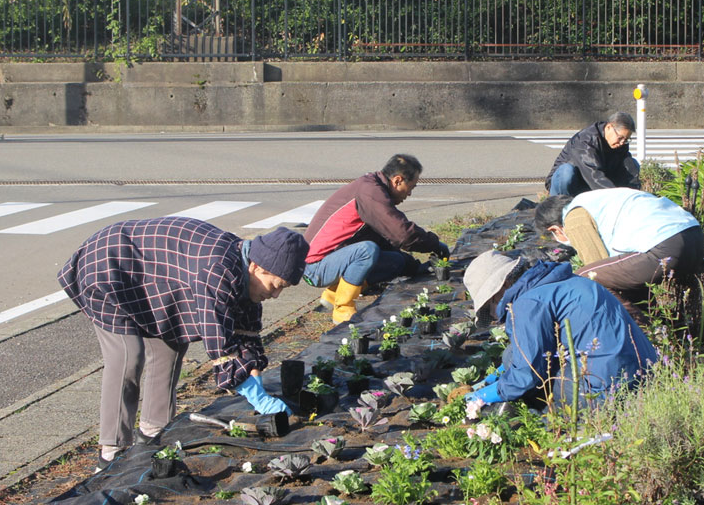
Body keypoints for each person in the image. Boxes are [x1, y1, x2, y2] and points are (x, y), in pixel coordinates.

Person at [58, 217, 309, 470]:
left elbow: (247, 332)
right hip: (110, 266)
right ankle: (111, 452)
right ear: (257, 267)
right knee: (128, 358)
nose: (276, 295)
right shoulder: (218, 270)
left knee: (171, 346)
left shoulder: (245, 273)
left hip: (152, 278)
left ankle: (153, 434)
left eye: (283, 289)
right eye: (276, 285)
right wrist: (257, 397)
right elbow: (219, 343)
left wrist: (255, 373)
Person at [463, 250, 657, 407]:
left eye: (490, 306)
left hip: (607, 393)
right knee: (510, 356)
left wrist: (486, 395)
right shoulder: (564, 281)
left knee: (534, 387)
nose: (495, 316)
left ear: (503, 286)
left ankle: (562, 421)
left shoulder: (527, 303)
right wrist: (498, 373)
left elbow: (527, 375)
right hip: (648, 375)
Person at [303, 154, 451, 324]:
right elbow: (401, 233)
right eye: (410, 187)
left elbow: (386, 238)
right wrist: (434, 244)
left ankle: (333, 293)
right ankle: (342, 307)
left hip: (334, 257)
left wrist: (415, 267)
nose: (409, 193)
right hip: (314, 266)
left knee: (396, 261)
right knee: (366, 251)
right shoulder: (370, 193)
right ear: (397, 180)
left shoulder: (373, 188)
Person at [533, 188, 704, 298]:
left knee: (586, 276)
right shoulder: (592, 199)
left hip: (664, 244)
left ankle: (641, 333)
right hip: (694, 235)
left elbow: (595, 268)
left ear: (555, 230)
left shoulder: (574, 217)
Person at [545, 112, 641, 196]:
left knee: (633, 164)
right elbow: (593, 175)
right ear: (609, 127)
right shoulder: (585, 141)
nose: (622, 143)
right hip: (572, 182)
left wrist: (632, 195)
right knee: (566, 172)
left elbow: (629, 169)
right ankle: (560, 208)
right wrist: (614, 196)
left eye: (626, 139)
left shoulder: (620, 145)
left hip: (589, 184)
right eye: (620, 138)